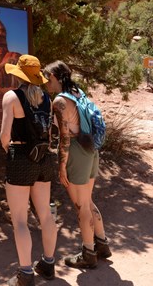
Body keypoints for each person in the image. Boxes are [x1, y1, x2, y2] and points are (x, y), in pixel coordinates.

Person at [42, 60, 112, 269]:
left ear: (54, 77)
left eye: (47, 78)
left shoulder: (60, 102)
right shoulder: (78, 92)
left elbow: (64, 137)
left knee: (81, 206)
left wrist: (61, 165)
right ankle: (101, 244)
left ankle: (88, 253)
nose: (46, 82)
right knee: (88, 202)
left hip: (76, 151)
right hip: (90, 149)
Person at [0, 55, 57, 286]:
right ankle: (48, 263)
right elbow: (49, 134)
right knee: (45, 214)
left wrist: (10, 150)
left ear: (18, 75)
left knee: (20, 221)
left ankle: (25, 274)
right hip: (43, 159)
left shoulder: (12, 96)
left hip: (21, 158)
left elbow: (5, 135)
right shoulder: (46, 99)